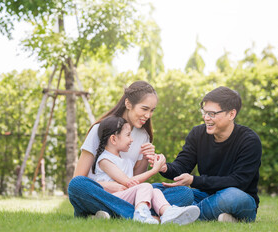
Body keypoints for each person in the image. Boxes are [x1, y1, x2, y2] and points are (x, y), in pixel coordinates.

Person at [67, 81, 193, 219]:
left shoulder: (143, 135)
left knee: (184, 193)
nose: (148, 115)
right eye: (144, 109)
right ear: (128, 104)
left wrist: (146, 157)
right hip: (101, 191)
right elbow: (79, 177)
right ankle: (145, 216)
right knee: (77, 185)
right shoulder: (100, 129)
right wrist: (109, 186)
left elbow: (134, 180)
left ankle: (111, 213)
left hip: (128, 193)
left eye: (152, 110)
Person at [158, 86, 262, 222]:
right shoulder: (197, 134)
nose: (206, 118)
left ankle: (181, 215)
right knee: (158, 190)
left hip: (240, 199)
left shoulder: (249, 140)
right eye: (204, 112)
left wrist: (194, 181)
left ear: (231, 114)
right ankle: (217, 217)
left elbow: (238, 182)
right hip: (205, 195)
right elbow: (182, 166)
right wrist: (165, 167)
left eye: (212, 114)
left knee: (230, 196)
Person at [92, 116, 200, 225]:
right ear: (113, 139)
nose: (131, 139)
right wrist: (154, 170)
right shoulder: (105, 160)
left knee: (155, 191)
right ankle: (141, 214)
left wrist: (146, 158)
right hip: (112, 199)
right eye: (128, 135)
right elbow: (128, 182)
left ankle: (167, 212)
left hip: (126, 196)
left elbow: (133, 183)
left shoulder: (126, 160)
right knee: (146, 186)